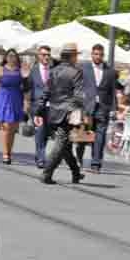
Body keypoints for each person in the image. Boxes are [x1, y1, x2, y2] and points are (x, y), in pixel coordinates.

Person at [37, 43, 84, 185]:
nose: (77, 58)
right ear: (72, 56)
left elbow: (46, 91)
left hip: (53, 111)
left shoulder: (54, 70)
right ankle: (47, 173)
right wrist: (75, 112)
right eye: (76, 55)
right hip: (67, 112)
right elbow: (78, 95)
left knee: (66, 145)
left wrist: (39, 109)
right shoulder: (76, 72)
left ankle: (76, 173)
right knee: (61, 143)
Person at [75, 43, 117, 173]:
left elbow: (112, 91)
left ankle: (96, 164)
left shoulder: (110, 71)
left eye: (100, 54)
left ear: (103, 55)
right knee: (83, 135)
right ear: (92, 54)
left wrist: (113, 109)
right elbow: (77, 86)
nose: (98, 56)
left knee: (100, 136)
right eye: (96, 54)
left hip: (102, 107)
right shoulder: (83, 68)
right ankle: (78, 160)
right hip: (87, 107)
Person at [0, 49, 26, 164]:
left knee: (13, 128)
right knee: (6, 126)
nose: (11, 57)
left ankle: (9, 151)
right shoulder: (1, 69)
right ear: (6, 57)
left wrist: (27, 102)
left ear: (17, 57)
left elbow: (26, 85)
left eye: (14, 55)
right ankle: (5, 153)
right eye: (9, 55)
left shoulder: (20, 70)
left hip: (16, 98)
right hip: (3, 98)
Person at [28, 46, 52, 169]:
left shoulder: (54, 70)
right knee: (40, 131)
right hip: (37, 106)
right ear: (38, 56)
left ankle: (39, 154)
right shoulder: (33, 70)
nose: (46, 57)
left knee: (46, 133)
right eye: (43, 54)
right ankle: (41, 158)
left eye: (48, 54)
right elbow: (28, 88)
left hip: (51, 107)